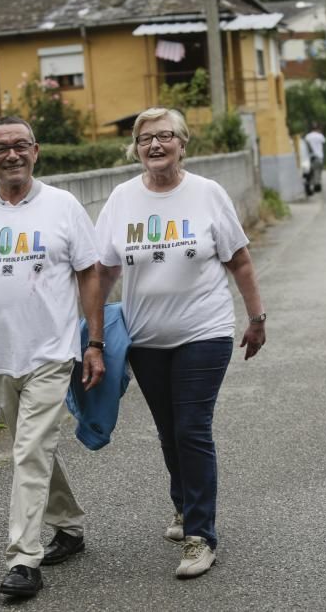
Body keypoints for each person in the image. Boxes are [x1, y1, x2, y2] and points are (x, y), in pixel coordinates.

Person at [0, 116, 105, 598]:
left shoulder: (63, 207)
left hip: (51, 352)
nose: (12, 154)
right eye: (1, 148)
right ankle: (68, 525)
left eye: (20, 145)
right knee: (35, 448)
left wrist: (94, 342)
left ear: (36, 151)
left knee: (28, 451)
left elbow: (89, 274)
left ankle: (23, 561)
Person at [96, 107, 266, 579]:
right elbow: (104, 271)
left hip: (204, 332)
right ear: (135, 147)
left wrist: (256, 317)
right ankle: (183, 506)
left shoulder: (207, 194)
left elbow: (241, 262)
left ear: (183, 143)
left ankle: (201, 536)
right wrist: (92, 334)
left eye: (165, 136)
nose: (155, 145)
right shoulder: (121, 198)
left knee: (192, 428)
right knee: (169, 431)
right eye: (146, 138)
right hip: (146, 339)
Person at [304, 124, 325, 192]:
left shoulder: (308, 136)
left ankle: (311, 184)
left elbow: (306, 145)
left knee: (311, 171)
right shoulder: (320, 136)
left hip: (310, 157)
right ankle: (317, 185)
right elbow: (323, 142)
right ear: (317, 129)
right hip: (319, 156)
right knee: (318, 171)